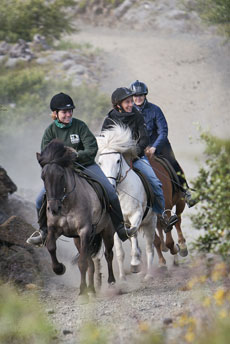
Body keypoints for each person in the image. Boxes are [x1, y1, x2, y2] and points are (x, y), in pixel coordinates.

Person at [26, 92, 137, 246]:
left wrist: (76, 155)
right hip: (61, 173)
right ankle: (43, 231)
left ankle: (120, 228)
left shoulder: (80, 126)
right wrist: (62, 161)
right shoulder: (50, 131)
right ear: (55, 114)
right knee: (39, 200)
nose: (68, 114)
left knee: (110, 191)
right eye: (64, 112)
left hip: (86, 166)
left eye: (70, 111)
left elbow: (91, 148)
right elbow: (46, 156)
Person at [101, 87, 178, 231]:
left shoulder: (137, 115)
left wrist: (133, 152)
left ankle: (164, 214)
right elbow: (105, 142)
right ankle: (100, 220)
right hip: (116, 160)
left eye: (131, 101)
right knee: (100, 184)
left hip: (136, 157)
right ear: (118, 105)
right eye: (128, 102)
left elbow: (144, 139)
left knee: (155, 182)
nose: (131, 104)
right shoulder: (109, 119)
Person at [130, 80, 197, 207]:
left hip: (159, 146)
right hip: (139, 148)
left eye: (140, 95)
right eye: (135, 96)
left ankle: (186, 191)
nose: (138, 98)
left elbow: (163, 131)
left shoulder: (155, 110)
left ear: (145, 95)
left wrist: (155, 147)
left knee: (173, 163)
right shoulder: (130, 112)